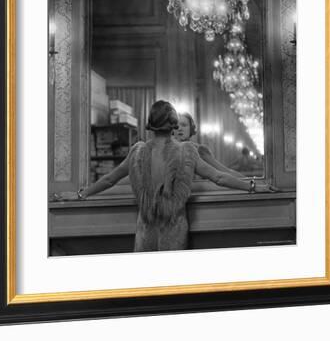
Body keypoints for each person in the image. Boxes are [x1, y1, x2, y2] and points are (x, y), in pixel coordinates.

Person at [77, 100, 277, 252]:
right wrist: (254, 186)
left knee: (147, 287)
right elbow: (219, 177)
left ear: (150, 124)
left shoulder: (137, 151)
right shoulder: (186, 152)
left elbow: (109, 179)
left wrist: (81, 194)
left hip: (145, 230)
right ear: (172, 124)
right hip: (175, 228)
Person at [173, 112, 244, 178]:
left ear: (191, 128)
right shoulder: (167, 150)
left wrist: (246, 180)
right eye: (176, 126)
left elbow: (222, 170)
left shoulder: (199, 150)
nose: (179, 129)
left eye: (184, 125)